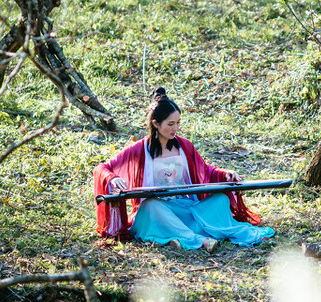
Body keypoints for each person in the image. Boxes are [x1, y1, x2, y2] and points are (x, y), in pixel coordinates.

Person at [92, 88, 275, 250]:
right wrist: (111, 178)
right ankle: (197, 239)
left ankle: (175, 235)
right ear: (155, 123)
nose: (175, 128)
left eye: (178, 123)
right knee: (150, 205)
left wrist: (224, 174)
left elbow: (206, 170)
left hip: (187, 207)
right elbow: (102, 168)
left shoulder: (184, 146)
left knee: (220, 199)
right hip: (159, 210)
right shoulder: (139, 149)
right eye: (170, 124)